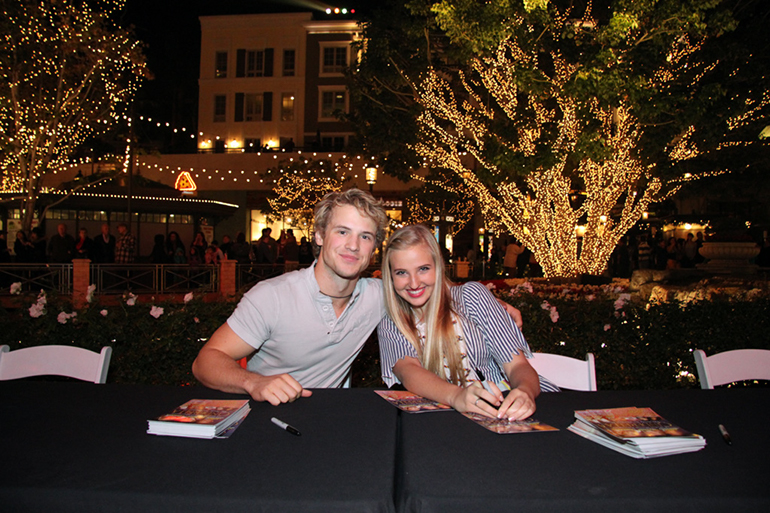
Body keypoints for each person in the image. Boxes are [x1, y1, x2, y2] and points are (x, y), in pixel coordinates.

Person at [191, 188, 526, 406]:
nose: (353, 245)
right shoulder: (271, 296)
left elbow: (425, 283)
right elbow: (206, 361)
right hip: (266, 416)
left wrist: (490, 301)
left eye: (365, 236)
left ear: (374, 248)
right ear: (319, 235)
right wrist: (254, 383)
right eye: (342, 232)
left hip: (335, 419)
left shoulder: (379, 296)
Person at [377, 225, 558, 421]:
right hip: (451, 418)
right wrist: (457, 396)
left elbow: (517, 366)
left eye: (423, 269)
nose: (414, 283)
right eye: (401, 273)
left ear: (439, 267)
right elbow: (409, 371)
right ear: (390, 276)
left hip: (508, 402)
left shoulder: (472, 297)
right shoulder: (391, 322)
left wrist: (525, 391)